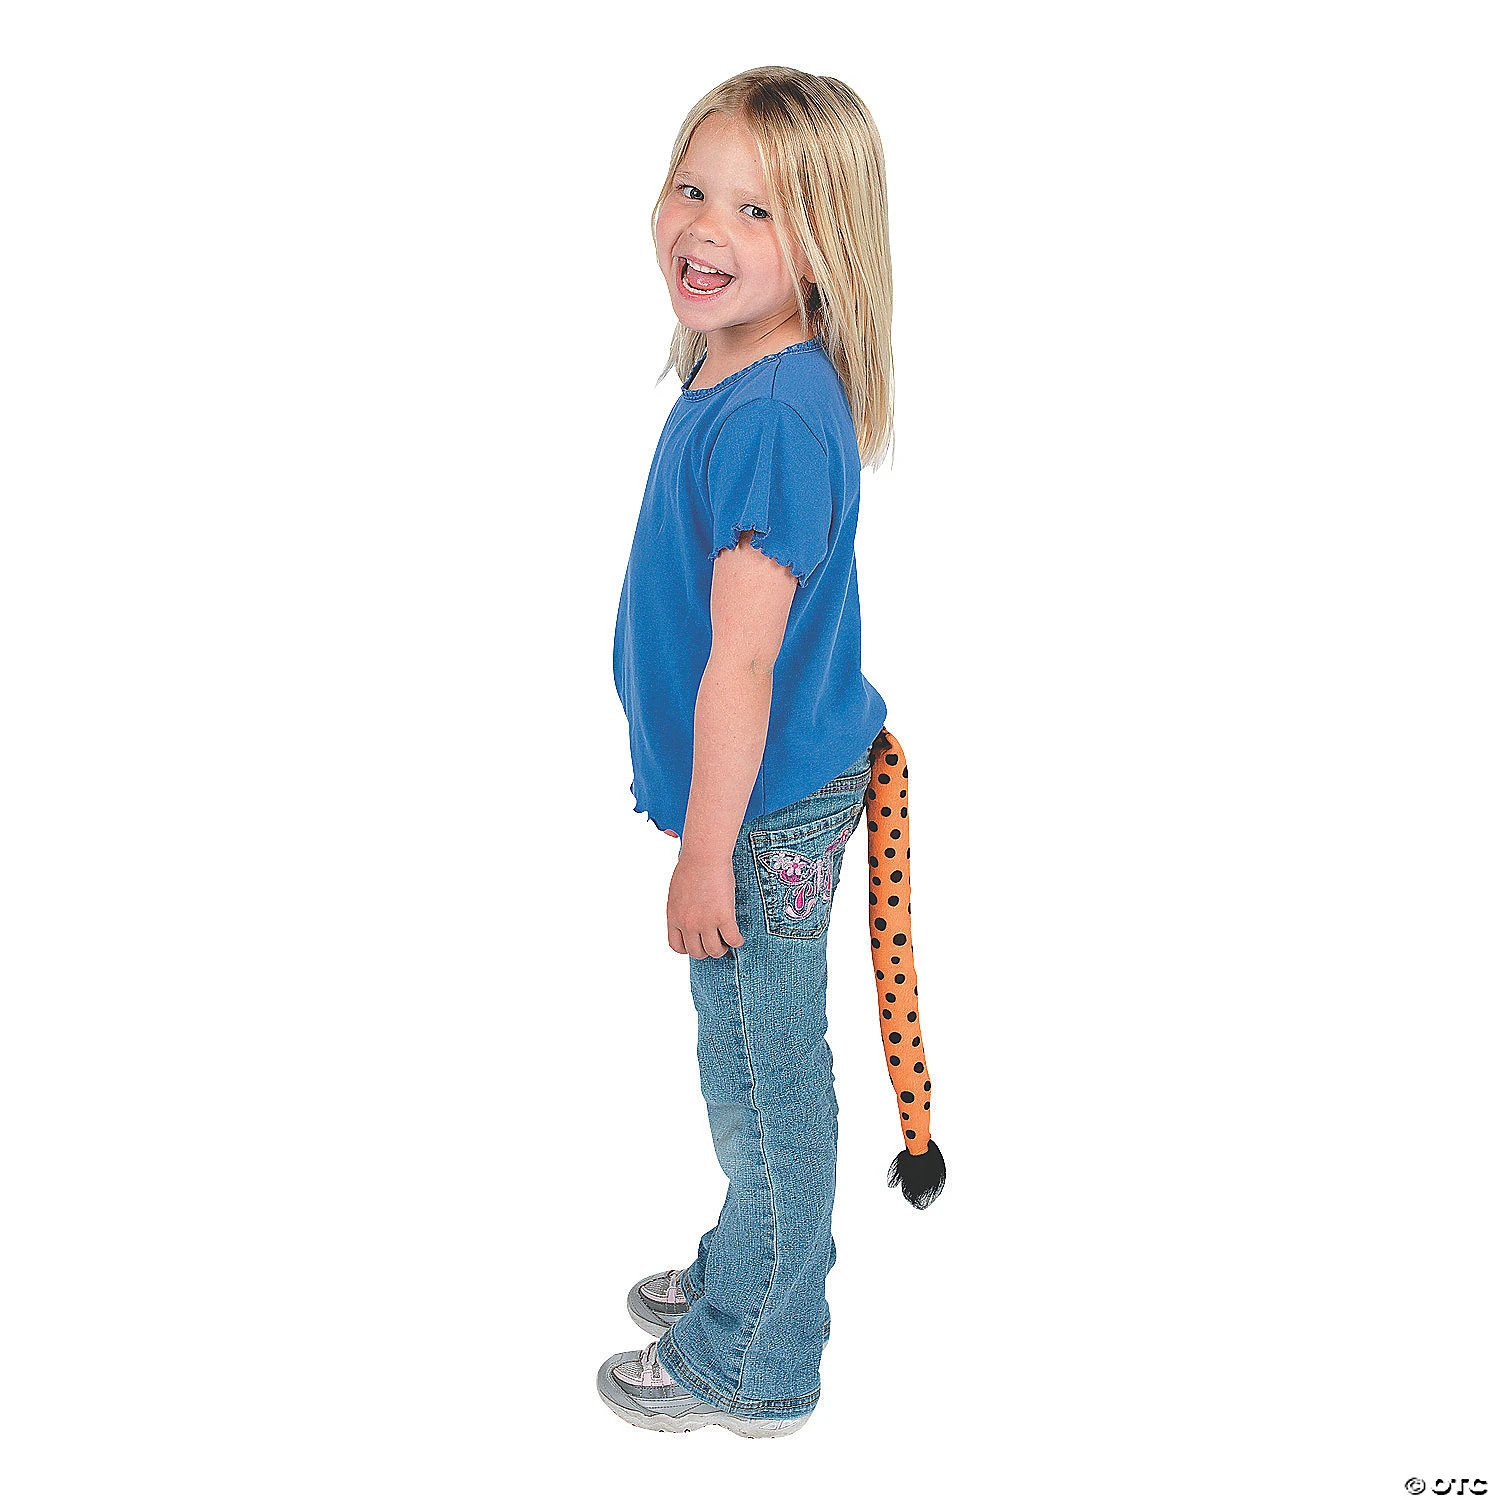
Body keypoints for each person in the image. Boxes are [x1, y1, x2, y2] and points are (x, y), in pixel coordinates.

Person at [599, 66, 945, 1440]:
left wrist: (705, 854)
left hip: (761, 815)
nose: (706, 227)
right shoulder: (732, 362)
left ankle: (761, 1349)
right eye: (694, 189)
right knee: (742, 1063)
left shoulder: (778, 416)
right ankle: (752, 1260)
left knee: (765, 1075)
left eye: (757, 209)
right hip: (754, 798)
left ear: (825, 244)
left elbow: (742, 664)